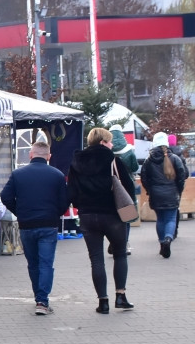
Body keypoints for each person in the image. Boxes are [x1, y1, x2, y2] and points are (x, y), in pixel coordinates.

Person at [66, 128, 135, 314]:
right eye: (110, 141)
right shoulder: (114, 161)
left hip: (88, 216)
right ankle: (121, 296)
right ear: (103, 142)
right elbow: (128, 187)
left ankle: (102, 302)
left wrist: (81, 204)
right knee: (120, 254)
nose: (112, 145)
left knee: (96, 259)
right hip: (112, 215)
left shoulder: (76, 163)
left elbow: (71, 190)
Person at [0, 141, 68, 315]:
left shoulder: (18, 174)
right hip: (48, 224)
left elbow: (5, 196)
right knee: (46, 264)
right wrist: (54, 213)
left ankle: (38, 297)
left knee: (33, 264)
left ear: (31, 155)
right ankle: (42, 301)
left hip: (26, 225)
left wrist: (19, 212)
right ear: (49, 156)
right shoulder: (57, 175)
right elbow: (64, 201)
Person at [140, 132, 187, 259]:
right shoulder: (175, 158)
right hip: (172, 192)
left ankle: (162, 243)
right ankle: (168, 238)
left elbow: (143, 176)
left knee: (160, 219)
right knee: (171, 218)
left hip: (156, 194)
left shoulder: (148, 160)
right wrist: (179, 189)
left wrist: (150, 190)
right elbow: (182, 176)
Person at [108, 124, 139, 255]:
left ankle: (113, 241)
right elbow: (135, 168)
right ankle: (124, 243)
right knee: (126, 215)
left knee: (113, 216)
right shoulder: (129, 150)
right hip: (126, 187)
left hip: (110, 187)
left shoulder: (108, 150)